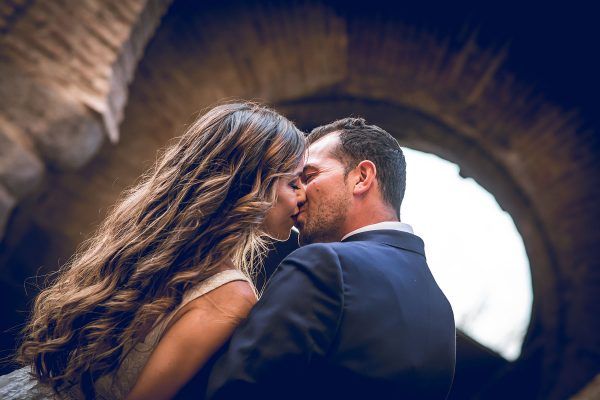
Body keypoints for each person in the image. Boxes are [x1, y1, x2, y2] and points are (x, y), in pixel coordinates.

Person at [0, 102, 306, 399]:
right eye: (294, 183)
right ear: (252, 185)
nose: (304, 195)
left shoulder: (144, 244)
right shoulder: (230, 296)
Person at [206, 117, 456, 399]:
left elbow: (236, 390)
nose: (297, 196)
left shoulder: (324, 264)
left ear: (362, 177)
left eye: (309, 177)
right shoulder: (442, 313)